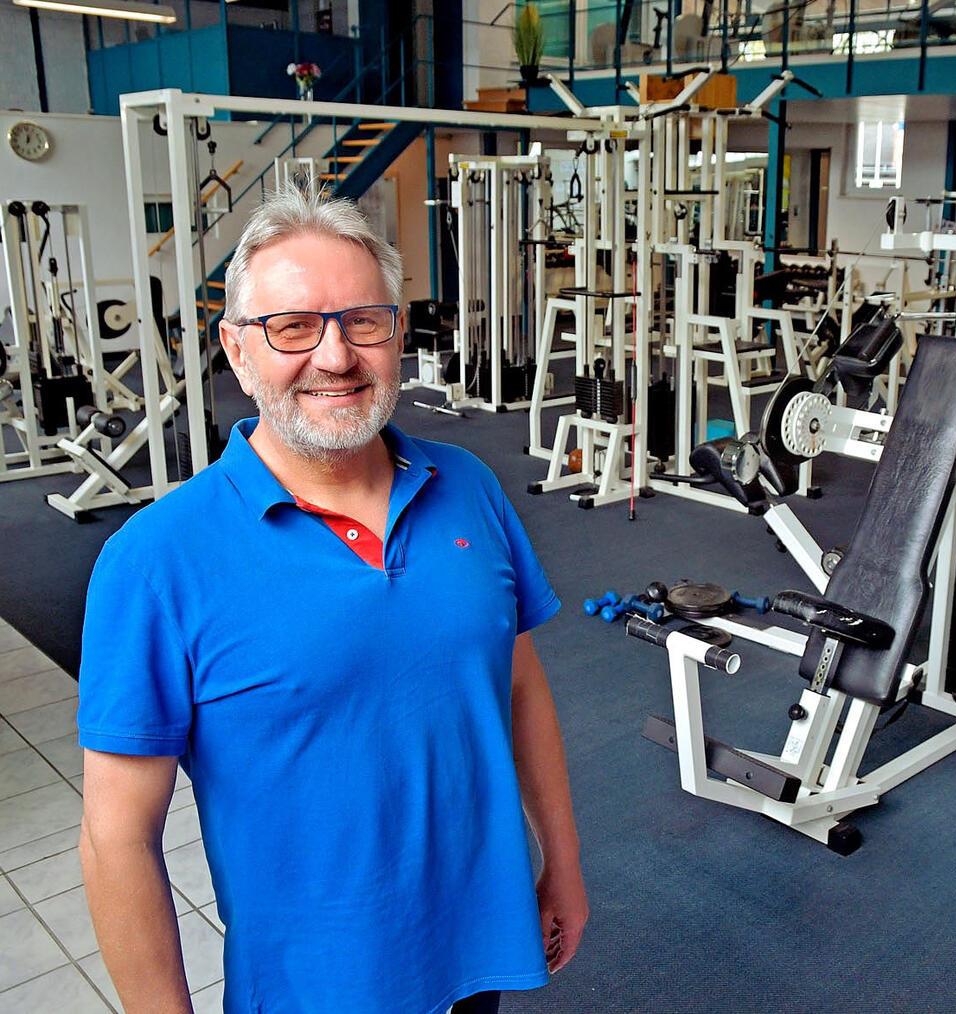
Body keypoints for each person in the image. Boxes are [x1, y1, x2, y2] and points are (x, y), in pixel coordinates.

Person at [77, 182, 588, 1014]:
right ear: (237, 351)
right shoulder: (153, 561)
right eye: (292, 326)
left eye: (362, 321)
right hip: (313, 990)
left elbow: (519, 685)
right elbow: (115, 838)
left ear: (397, 335)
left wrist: (561, 863)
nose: (336, 355)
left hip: (480, 952)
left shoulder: (469, 487)